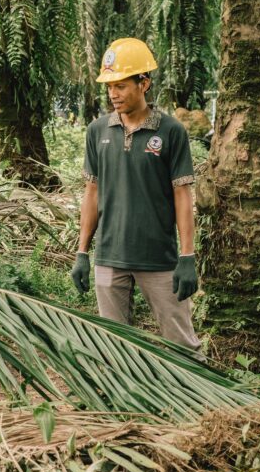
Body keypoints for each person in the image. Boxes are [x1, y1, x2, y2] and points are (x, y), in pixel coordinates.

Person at [71, 38, 201, 350]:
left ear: (144, 84)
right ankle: (126, 399)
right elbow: (92, 192)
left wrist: (187, 256)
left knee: (182, 342)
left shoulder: (170, 132)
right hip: (109, 256)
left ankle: (195, 398)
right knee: (115, 347)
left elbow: (182, 194)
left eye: (121, 86)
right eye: (109, 86)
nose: (113, 94)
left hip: (159, 258)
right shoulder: (97, 131)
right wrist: (82, 252)